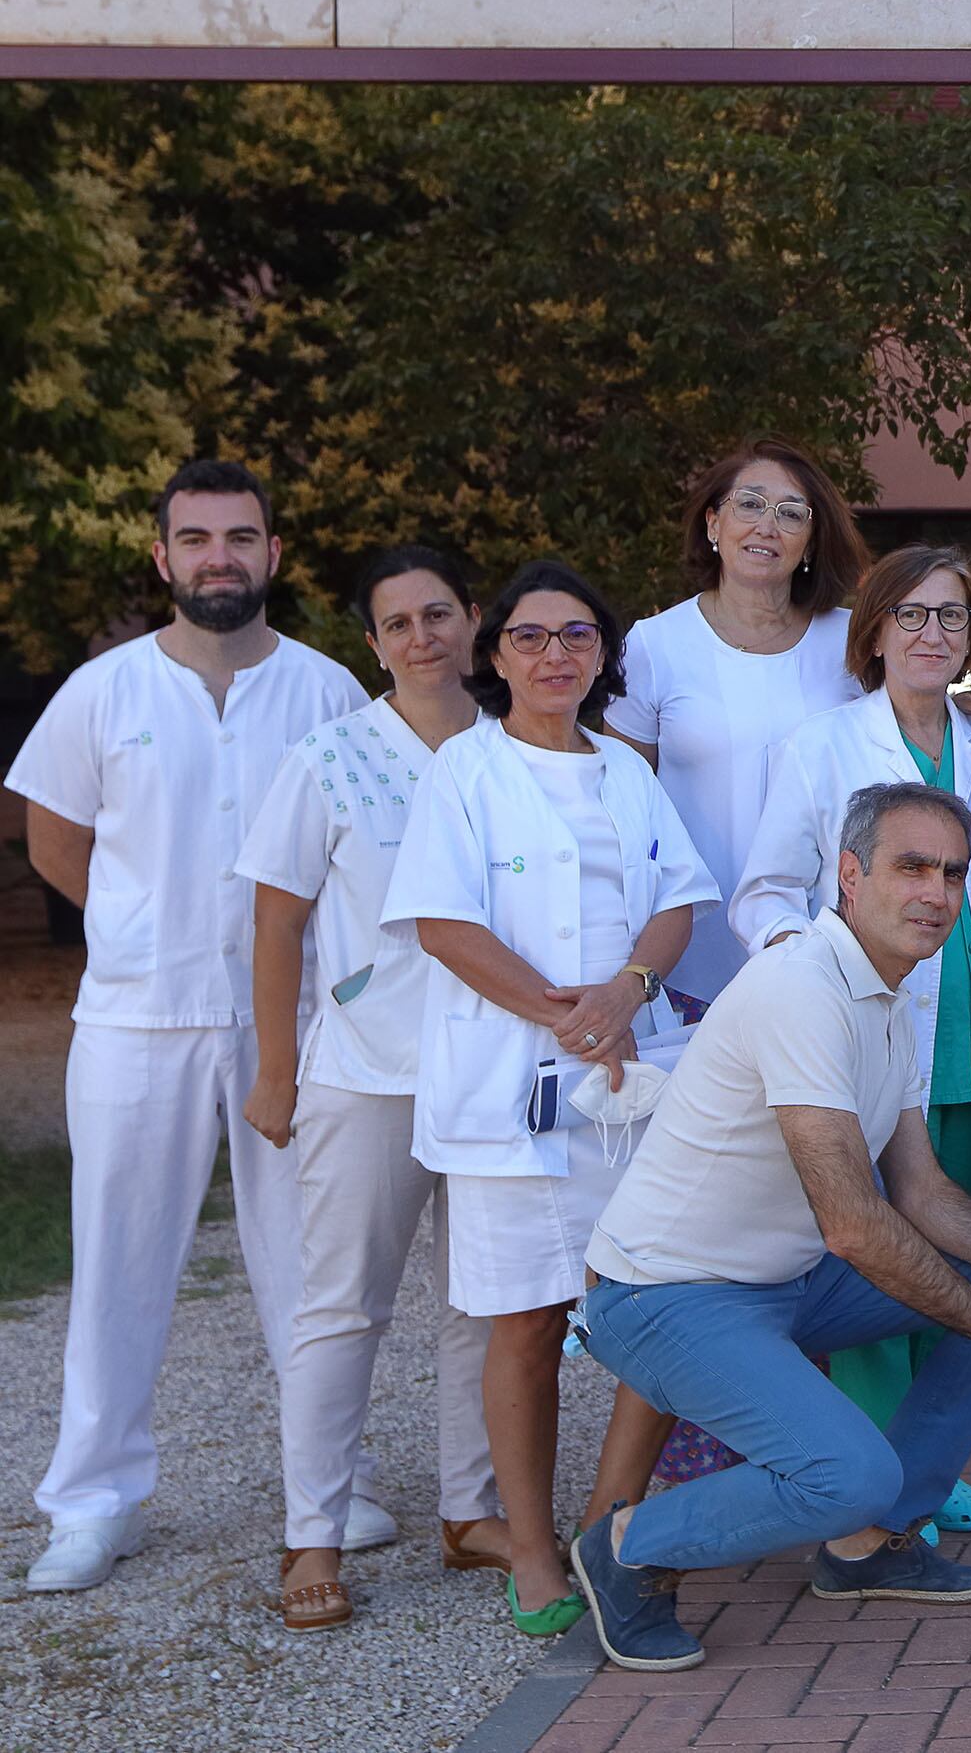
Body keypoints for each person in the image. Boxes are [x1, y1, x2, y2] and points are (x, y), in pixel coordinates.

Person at [572, 782, 971, 1675]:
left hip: (785, 1280)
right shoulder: (802, 985)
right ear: (848, 874)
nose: (935, 891)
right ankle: (627, 1547)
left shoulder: (895, 992)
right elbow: (852, 1222)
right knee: (845, 1473)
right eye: (911, 866)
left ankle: (872, 1547)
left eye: (952, 872)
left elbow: (919, 1187)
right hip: (666, 1295)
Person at [6, 461, 368, 1594]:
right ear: (163, 557)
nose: (221, 557)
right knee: (117, 1260)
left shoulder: (328, 694)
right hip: (135, 1019)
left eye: (242, 537)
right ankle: (91, 1501)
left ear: (273, 552)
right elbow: (54, 846)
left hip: (291, 1023)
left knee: (307, 1269)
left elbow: (359, 850)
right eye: (197, 539)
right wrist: (140, 927)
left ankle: (330, 1490)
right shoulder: (102, 690)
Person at [386, 560, 715, 1634]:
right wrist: (561, 1014)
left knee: (651, 1311)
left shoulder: (625, 770)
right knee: (525, 1323)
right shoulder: (464, 774)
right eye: (531, 637)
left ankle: (607, 1523)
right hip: (509, 1091)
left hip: (628, 1085)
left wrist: (626, 993)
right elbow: (444, 922)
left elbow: (678, 902)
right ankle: (529, 1548)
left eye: (577, 635)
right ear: (495, 655)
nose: (555, 655)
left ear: (602, 654)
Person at [237, 546, 503, 1632]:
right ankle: (316, 1530)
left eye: (438, 614)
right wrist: (275, 1068)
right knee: (341, 1307)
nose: (423, 638)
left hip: (490, 1070)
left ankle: (469, 1510)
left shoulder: (516, 751)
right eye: (398, 624)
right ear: (373, 646)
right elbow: (277, 920)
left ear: (473, 621)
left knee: (481, 1305)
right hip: (364, 1069)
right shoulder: (328, 758)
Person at [734, 545, 971, 1535]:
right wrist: (813, 975)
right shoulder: (823, 744)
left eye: (952, 618)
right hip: (870, 1030)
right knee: (880, 1259)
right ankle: (879, 1486)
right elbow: (765, 887)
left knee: (963, 1258)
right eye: (913, 616)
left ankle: (930, 1470)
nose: (933, 635)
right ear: (875, 632)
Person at [605, 438, 871, 1018]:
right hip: (689, 956)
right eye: (750, 504)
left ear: (810, 542)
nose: (767, 526)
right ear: (713, 524)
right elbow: (620, 801)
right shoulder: (655, 645)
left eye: (791, 513)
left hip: (829, 943)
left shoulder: (854, 642)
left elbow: (911, 740)